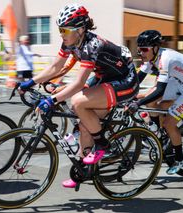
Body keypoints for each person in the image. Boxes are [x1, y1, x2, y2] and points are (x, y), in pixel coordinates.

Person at [19, 4, 139, 188]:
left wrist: (51, 101)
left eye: (65, 29)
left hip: (125, 81)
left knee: (78, 102)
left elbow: (77, 84)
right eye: (60, 29)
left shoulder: (92, 45)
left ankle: (102, 144)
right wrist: (30, 82)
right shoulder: (71, 42)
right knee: (83, 124)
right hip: (105, 78)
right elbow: (55, 68)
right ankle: (84, 171)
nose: (62, 34)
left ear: (81, 29)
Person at [128, 30, 183, 175]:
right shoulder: (151, 58)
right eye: (139, 49)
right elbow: (137, 80)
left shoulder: (165, 59)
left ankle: (179, 158)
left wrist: (137, 103)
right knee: (152, 102)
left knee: (169, 123)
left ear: (155, 48)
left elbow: (160, 90)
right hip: (177, 82)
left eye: (144, 49)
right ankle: (158, 135)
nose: (141, 53)